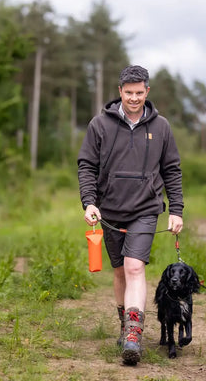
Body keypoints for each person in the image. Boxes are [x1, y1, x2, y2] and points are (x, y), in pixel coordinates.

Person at [77, 65, 184, 365]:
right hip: (109, 210)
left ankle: (134, 336)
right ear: (120, 91)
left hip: (146, 209)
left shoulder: (161, 127)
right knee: (120, 271)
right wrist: (89, 202)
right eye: (129, 93)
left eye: (140, 93)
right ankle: (126, 324)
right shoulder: (100, 124)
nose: (134, 98)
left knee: (135, 266)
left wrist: (175, 209)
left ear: (147, 92)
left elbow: (172, 170)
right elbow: (86, 165)